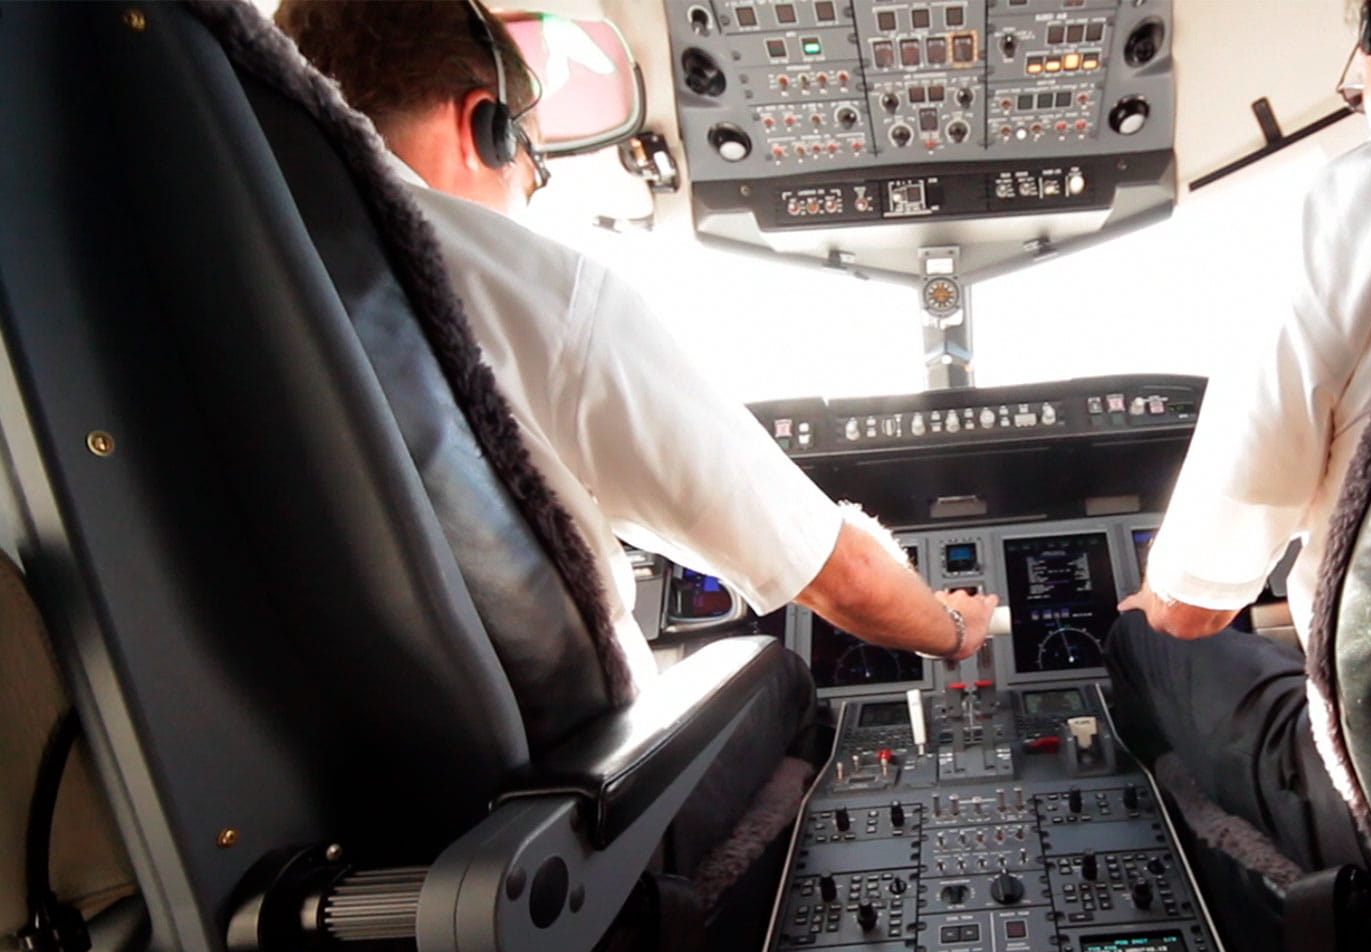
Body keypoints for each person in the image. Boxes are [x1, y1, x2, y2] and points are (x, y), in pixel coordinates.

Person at [272, 0, 998, 682]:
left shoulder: (232, 282)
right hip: (568, 781)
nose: (530, 187)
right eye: (534, 161)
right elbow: (847, 580)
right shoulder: (522, 287)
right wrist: (954, 629)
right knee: (773, 685)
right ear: (481, 124)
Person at [1105, 0, 1371, 871]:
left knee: (1143, 637)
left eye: (1356, 91)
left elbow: (1196, 600)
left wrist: (1154, 599)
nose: (1366, 107)